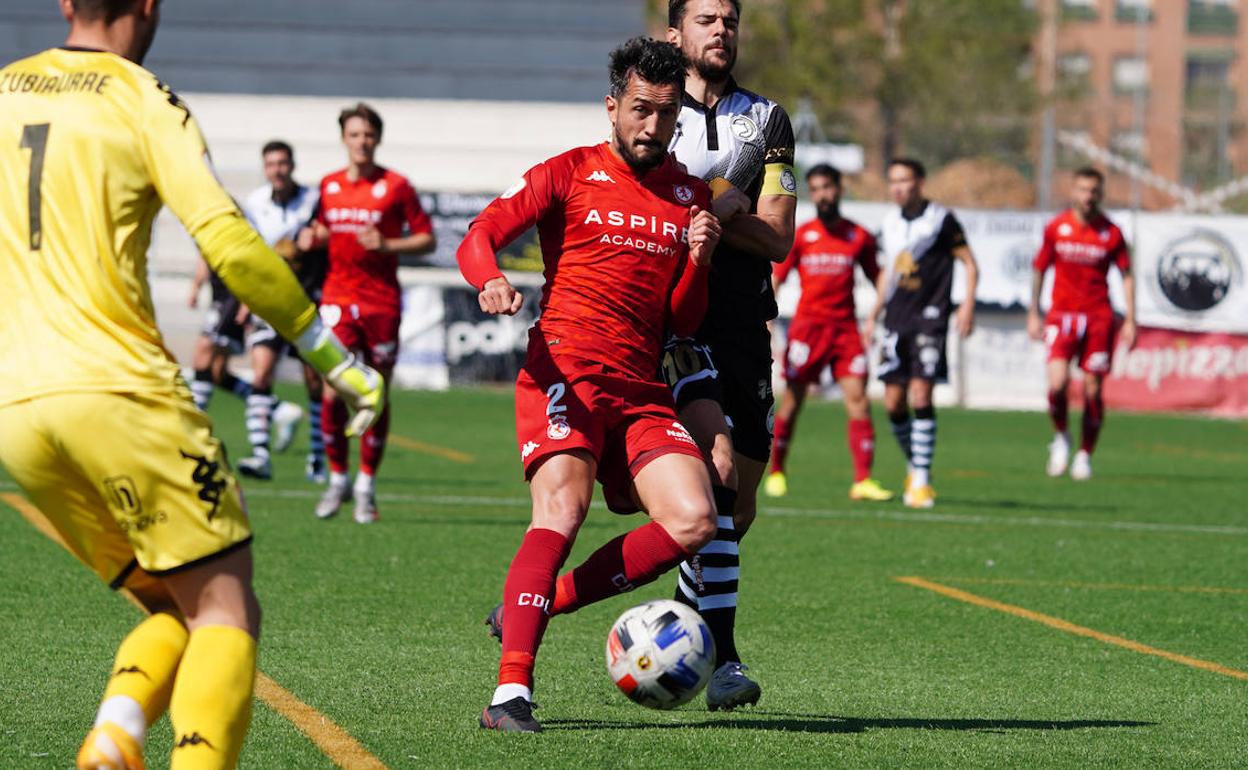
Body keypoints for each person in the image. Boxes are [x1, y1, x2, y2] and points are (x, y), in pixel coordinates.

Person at [0, 2, 383, 768]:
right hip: (121, 392)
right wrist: (332, 358)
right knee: (224, 603)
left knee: (169, 599)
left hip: (16, 409)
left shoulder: (4, 88)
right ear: (148, 6)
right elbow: (231, 244)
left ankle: (116, 734)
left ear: (66, 3)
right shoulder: (142, 97)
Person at [458, 37, 721, 733]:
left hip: (639, 388)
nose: (652, 126)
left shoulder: (691, 197)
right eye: (640, 110)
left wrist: (699, 258)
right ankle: (511, 692)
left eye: (666, 115)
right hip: (564, 373)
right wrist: (489, 279)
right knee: (561, 516)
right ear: (613, 106)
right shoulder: (569, 172)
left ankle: (549, 599)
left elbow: (684, 318)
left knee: (694, 519)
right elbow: (480, 233)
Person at [662, 0, 797, 710]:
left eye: (730, 20)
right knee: (712, 479)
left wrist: (704, 210)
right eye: (706, 19)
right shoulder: (651, 106)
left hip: (746, 322)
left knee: (737, 511)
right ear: (674, 31)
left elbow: (778, 239)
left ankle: (685, 619)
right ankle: (725, 661)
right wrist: (724, 208)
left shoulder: (767, 120)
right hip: (673, 319)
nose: (721, 31)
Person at [300, 102, 436, 523]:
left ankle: (366, 487)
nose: (362, 141)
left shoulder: (396, 186)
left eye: (368, 134)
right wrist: (313, 238)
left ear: (377, 139)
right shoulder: (328, 185)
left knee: (375, 393)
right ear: (344, 138)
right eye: (354, 134)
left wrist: (390, 245)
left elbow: (428, 239)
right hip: (338, 299)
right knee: (333, 388)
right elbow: (320, 229)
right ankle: (337, 480)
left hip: (381, 304)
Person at [765, 165, 893, 501]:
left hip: (846, 331)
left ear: (840, 189)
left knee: (859, 400)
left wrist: (873, 317)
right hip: (807, 330)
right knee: (792, 401)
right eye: (816, 189)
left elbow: (880, 275)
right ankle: (778, 471)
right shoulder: (802, 235)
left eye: (827, 187)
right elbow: (776, 278)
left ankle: (863, 480)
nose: (823, 194)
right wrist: (767, 319)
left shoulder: (858, 236)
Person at [865, 158, 978, 509]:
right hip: (896, 320)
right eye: (893, 181)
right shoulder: (889, 223)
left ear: (920, 182)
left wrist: (968, 305)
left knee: (920, 396)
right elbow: (886, 273)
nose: (899, 187)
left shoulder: (941, 220)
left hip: (930, 318)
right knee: (894, 402)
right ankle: (915, 467)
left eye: (905, 180)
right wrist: (874, 312)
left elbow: (969, 263)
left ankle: (922, 481)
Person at [1028, 167, 1135, 480]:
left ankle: (1085, 454)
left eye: (1094, 191)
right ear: (1073, 192)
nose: (1088, 197)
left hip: (1099, 317)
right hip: (1062, 315)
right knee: (1057, 384)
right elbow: (1039, 269)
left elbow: (1126, 276)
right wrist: (1033, 311)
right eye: (1083, 190)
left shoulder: (1111, 233)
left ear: (1101, 194)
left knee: (1092, 387)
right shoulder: (1056, 228)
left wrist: (1130, 318)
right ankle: (1061, 435)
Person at [234, 140, 327, 483]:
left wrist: (316, 239)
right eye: (271, 164)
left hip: (307, 300)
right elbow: (252, 251)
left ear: (292, 165)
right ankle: (260, 455)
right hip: (271, 297)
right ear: (265, 168)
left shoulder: (312, 200)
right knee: (261, 373)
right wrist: (247, 300)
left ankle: (317, 457)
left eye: (283, 163)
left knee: (314, 381)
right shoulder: (256, 203)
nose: (278, 169)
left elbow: (325, 239)